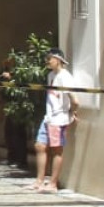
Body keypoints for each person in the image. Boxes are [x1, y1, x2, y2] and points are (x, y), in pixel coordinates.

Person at [30, 47, 78, 193]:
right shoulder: (51, 75)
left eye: (50, 58)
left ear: (58, 60)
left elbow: (74, 99)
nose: (47, 61)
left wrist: (72, 112)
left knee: (56, 150)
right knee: (40, 146)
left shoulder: (65, 77)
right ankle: (39, 181)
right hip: (49, 117)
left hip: (59, 118)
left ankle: (53, 184)